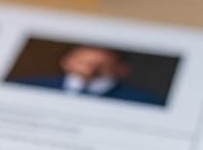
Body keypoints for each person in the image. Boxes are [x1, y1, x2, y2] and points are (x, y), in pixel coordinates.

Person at [9, 45, 161, 105]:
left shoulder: (145, 101)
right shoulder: (27, 86)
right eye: (83, 62)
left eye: (102, 65)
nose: (90, 69)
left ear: (122, 69)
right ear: (66, 62)